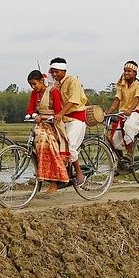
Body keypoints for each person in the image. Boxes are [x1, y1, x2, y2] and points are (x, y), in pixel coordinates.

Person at [24, 69, 70, 193]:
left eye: (35, 84)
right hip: (40, 124)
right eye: (31, 85)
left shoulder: (53, 92)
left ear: (41, 80)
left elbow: (57, 111)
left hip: (53, 124)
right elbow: (30, 109)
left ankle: (55, 181)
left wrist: (43, 117)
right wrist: (32, 115)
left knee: (46, 143)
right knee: (37, 141)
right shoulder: (34, 94)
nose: (33, 87)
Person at [48, 58, 88, 186]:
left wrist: (60, 113)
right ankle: (63, 173)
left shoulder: (72, 81)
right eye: (53, 72)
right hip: (63, 119)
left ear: (64, 70)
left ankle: (79, 172)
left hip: (76, 118)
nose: (54, 74)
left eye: (57, 72)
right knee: (54, 144)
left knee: (68, 146)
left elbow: (73, 101)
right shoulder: (55, 84)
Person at [107, 61, 139, 169]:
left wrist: (130, 109)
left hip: (135, 112)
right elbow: (117, 100)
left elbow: (137, 99)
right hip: (123, 113)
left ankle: (129, 153)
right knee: (112, 139)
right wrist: (108, 112)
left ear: (135, 73)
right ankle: (122, 162)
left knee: (129, 127)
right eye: (125, 70)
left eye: (129, 71)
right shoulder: (121, 84)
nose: (126, 73)